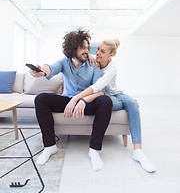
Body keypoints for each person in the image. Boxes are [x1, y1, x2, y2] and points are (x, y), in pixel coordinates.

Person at [30, 29, 112, 171]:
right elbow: (50, 68)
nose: (87, 51)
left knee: (106, 101)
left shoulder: (93, 64)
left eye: (87, 47)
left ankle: (94, 150)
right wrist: (41, 71)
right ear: (72, 49)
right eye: (83, 48)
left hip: (86, 103)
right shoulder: (64, 62)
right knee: (41, 99)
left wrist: (82, 100)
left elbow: (100, 90)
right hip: (67, 102)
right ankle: (50, 146)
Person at [71, 39, 155, 173]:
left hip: (117, 94)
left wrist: (80, 98)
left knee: (132, 103)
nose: (98, 52)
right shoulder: (93, 62)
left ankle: (138, 151)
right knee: (110, 103)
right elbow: (98, 88)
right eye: (98, 49)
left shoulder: (112, 68)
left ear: (111, 55)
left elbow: (99, 85)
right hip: (105, 97)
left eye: (102, 51)